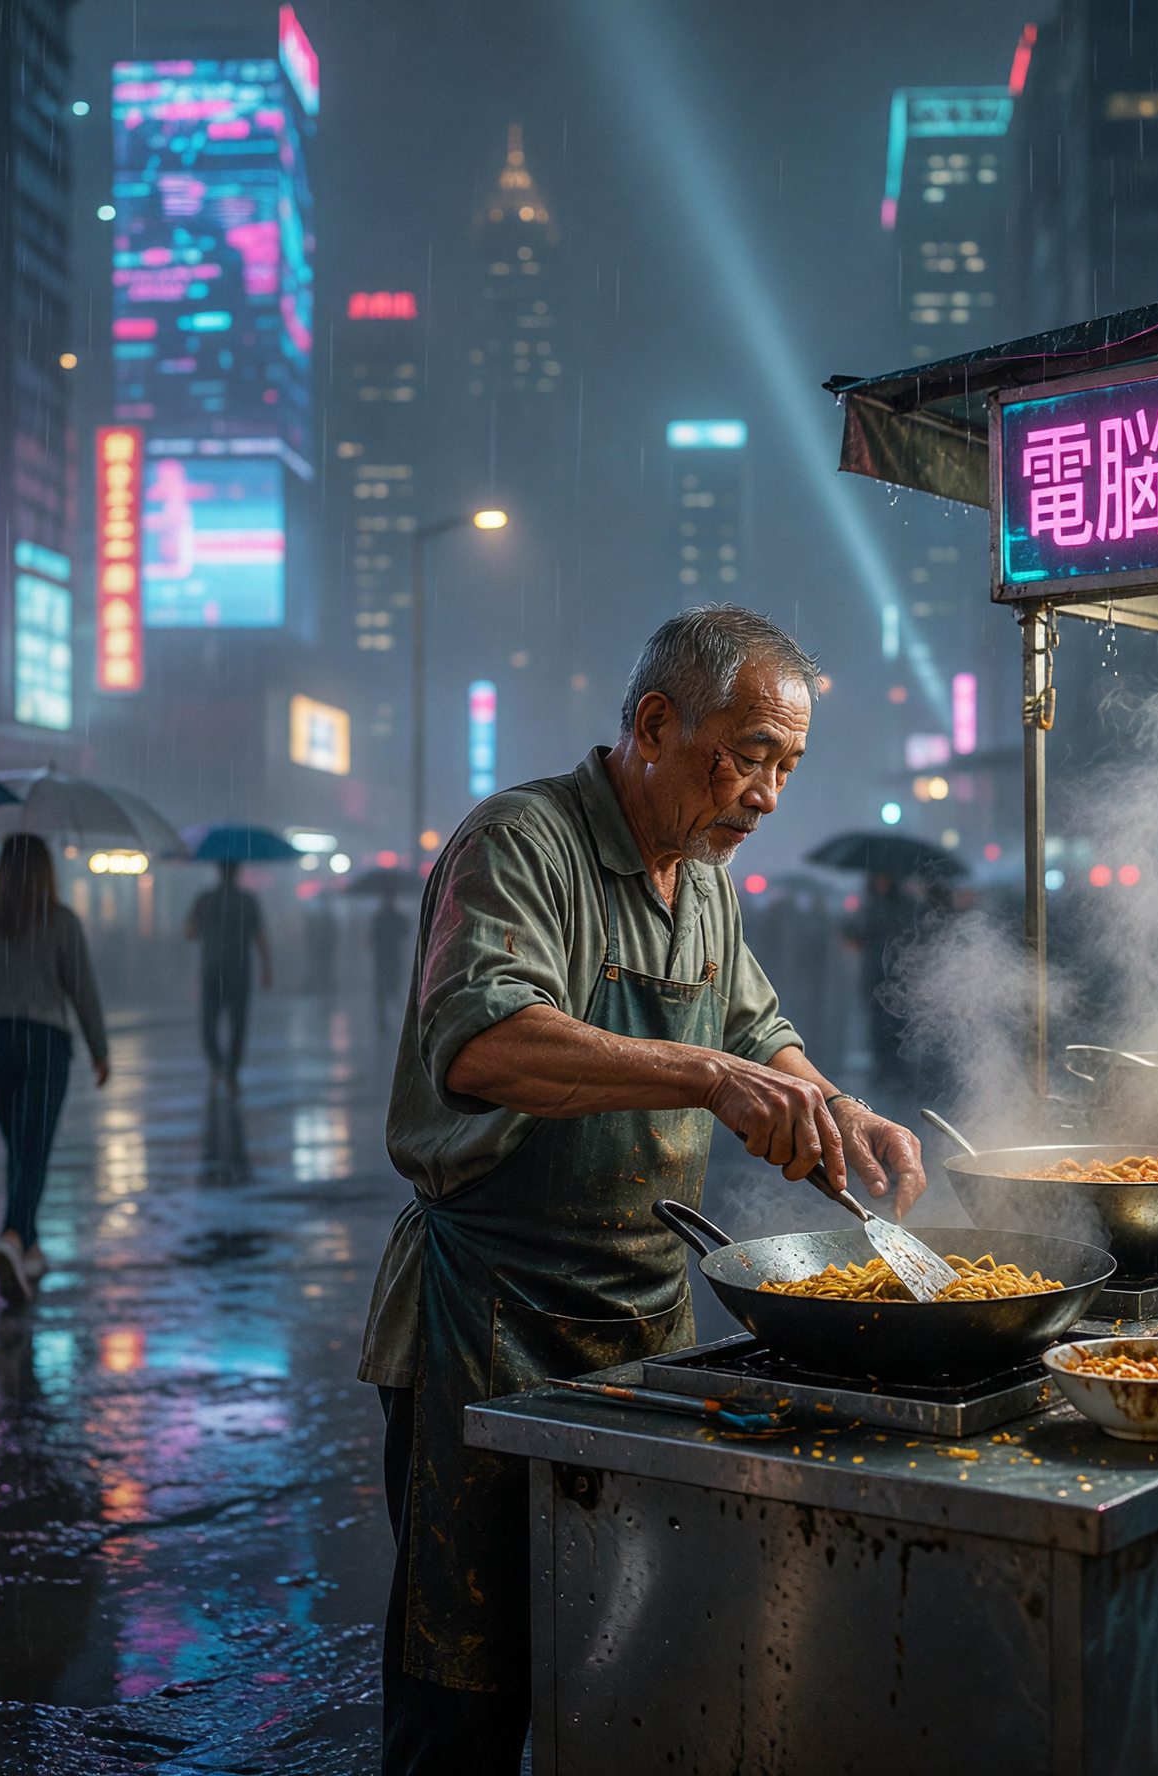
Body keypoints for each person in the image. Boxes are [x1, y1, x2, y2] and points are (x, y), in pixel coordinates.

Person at [358, 604, 927, 1774]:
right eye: (752, 754)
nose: (767, 794)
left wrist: (837, 1110)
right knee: (466, 1684)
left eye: (788, 767)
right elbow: (480, 1043)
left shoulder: (703, 880)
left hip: (643, 1331)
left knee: (624, 1669)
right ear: (656, 725)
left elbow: (759, 1031)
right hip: (487, 1321)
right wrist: (707, 1075)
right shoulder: (520, 842)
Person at [0, 834, 110, 1309]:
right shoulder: (61, 922)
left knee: (19, 1144)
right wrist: (99, 1049)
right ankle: (13, 1237)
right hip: (44, 1042)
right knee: (33, 1148)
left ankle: (28, 1249)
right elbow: (83, 990)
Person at [186, 859, 269, 1092]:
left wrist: (206, 932)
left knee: (209, 1021)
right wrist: (266, 968)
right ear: (237, 872)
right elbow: (260, 936)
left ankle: (216, 1063)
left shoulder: (206, 899)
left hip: (212, 968)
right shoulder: (247, 901)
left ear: (218, 871)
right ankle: (231, 1072)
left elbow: (189, 931)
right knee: (238, 1022)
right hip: (239, 970)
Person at [370, 887, 409, 1022]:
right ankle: (389, 1018)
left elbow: (404, 932)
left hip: (388, 958)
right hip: (388, 957)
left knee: (388, 988)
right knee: (389, 988)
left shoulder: (382, 917)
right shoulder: (388, 916)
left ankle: (388, 1018)